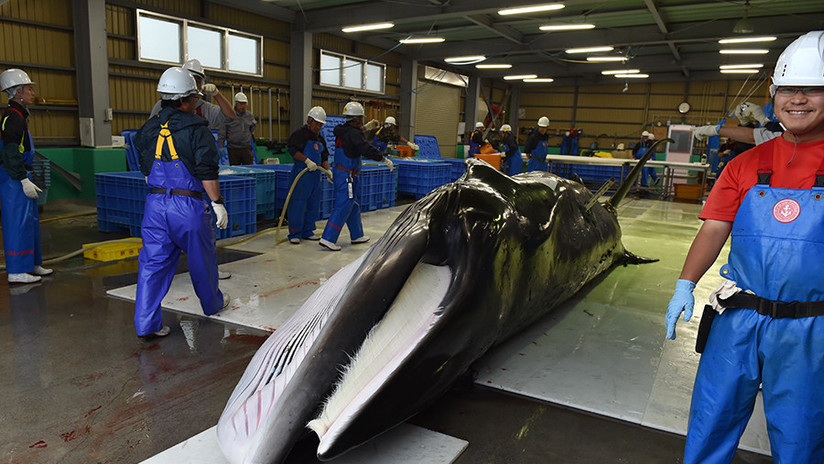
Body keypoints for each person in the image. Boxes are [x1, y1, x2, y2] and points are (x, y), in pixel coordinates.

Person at [665, 30, 824, 463]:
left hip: (811, 328)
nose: (798, 99)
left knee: (802, 435)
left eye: (812, 89)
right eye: (788, 89)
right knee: (710, 421)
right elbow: (714, 229)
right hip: (738, 318)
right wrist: (685, 284)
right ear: (773, 95)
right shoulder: (744, 164)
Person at [132, 67, 230, 339]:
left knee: (152, 265)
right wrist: (217, 202)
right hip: (187, 207)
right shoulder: (197, 129)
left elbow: (144, 167)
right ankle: (212, 304)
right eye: (194, 98)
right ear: (186, 99)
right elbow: (207, 170)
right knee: (202, 260)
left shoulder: (148, 129)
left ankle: (146, 324)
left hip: (154, 205)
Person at [151, 59, 233, 280]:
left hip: (193, 178)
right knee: (168, 237)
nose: (194, 83)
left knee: (201, 232)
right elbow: (151, 138)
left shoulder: (204, 108)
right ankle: (178, 276)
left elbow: (231, 116)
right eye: (190, 78)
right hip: (171, 177)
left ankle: (207, 271)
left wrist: (217, 94)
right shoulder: (162, 107)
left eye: (197, 79)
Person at [0, 68, 52, 284]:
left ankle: (32, 264)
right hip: (13, 177)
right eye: (29, 89)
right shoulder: (12, 118)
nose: (33, 93)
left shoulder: (20, 116)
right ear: (18, 92)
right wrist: (22, 178)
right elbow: (10, 151)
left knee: (30, 221)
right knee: (17, 222)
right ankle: (17, 270)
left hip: (23, 174)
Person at [319, 101, 394, 251]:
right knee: (344, 203)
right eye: (361, 118)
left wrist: (366, 127)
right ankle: (328, 238)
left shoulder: (343, 130)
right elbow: (365, 148)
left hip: (344, 173)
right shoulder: (353, 134)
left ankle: (356, 235)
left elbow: (355, 133)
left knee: (353, 204)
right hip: (347, 176)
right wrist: (383, 159)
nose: (362, 121)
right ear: (357, 118)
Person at [286, 106, 330, 244]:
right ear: (309, 121)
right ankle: (295, 232)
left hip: (316, 176)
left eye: (320, 124)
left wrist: (328, 171)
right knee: (298, 203)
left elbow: (324, 157)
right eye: (316, 123)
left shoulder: (320, 139)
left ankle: (308, 231)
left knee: (313, 203)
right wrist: (306, 160)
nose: (318, 127)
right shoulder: (299, 135)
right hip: (301, 174)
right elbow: (292, 150)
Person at [693, 101, 783, 146]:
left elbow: (754, 136)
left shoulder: (785, 134)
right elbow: (752, 140)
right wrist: (744, 122)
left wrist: (716, 130)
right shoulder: (769, 107)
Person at [218, 92, 257, 165]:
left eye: (244, 104)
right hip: (233, 149)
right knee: (235, 169)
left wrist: (246, 135)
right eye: (240, 104)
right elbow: (222, 132)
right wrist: (221, 146)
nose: (243, 106)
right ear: (236, 103)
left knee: (249, 169)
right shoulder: (228, 115)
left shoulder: (249, 115)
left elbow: (252, 127)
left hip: (246, 148)